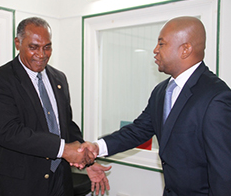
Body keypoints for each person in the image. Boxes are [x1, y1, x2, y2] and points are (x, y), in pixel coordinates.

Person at [79, 16, 231, 195]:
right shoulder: (161, 91)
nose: (155, 50)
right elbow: (139, 130)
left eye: (161, 44)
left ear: (185, 49)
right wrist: (98, 147)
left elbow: (224, 172)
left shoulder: (215, 97)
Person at [0, 17, 110, 196]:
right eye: (33, 47)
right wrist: (64, 150)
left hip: (60, 179)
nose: (41, 55)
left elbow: (66, 125)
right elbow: (8, 132)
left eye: (47, 47)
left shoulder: (59, 78)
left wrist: (85, 159)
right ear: (17, 43)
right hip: (21, 183)